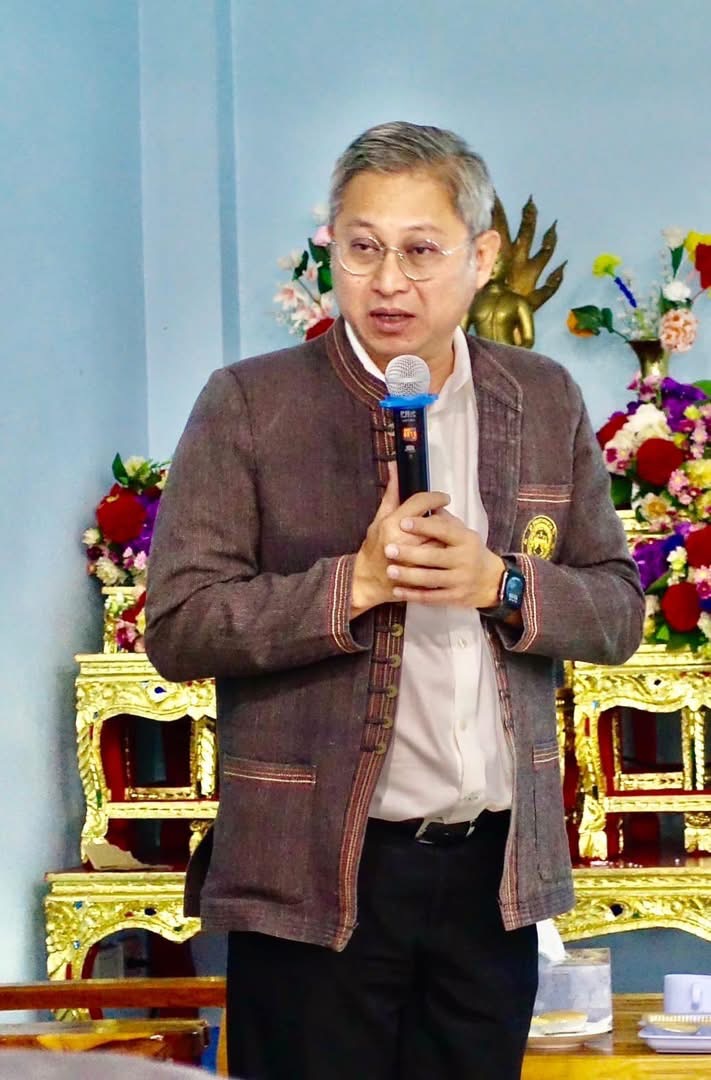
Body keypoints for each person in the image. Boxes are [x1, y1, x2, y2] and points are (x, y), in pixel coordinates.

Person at [145, 121, 644, 1080]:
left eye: (420, 252)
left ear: (480, 258)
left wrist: (501, 583)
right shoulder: (250, 403)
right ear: (330, 247)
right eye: (362, 248)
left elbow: (617, 610)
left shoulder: (542, 398)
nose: (387, 282)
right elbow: (179, 623)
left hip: (491, 875)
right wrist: (358, 583)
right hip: (313, 876)